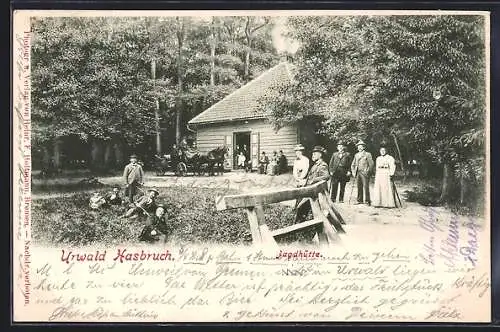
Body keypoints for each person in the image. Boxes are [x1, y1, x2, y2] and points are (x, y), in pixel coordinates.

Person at [350, 140, 374, 205]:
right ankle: (359, 200)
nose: (359, 148)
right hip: (358, 172)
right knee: (359, 186)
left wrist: (368, 171)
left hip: (365, 172)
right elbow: (353, 164)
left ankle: (367, 201)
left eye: (361, 146)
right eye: (358, 146)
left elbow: (371, 164)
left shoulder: (368, 154)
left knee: (366, 187)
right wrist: (353, 172)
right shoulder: (356, 155)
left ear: (364, 147)